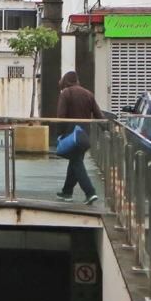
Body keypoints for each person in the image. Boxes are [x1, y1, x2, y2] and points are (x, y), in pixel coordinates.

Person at [54, 71, 107, 205]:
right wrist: (107, 129)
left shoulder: (66, 93)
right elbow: (99, 116)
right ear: (77, 80)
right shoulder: (88, 94)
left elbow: (61, 116)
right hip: (84, 135)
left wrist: (59, 135)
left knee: (76, 163)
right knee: (75, 162)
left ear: (66, 81)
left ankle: (90, 192)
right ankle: (67, 192)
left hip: (72, 135)